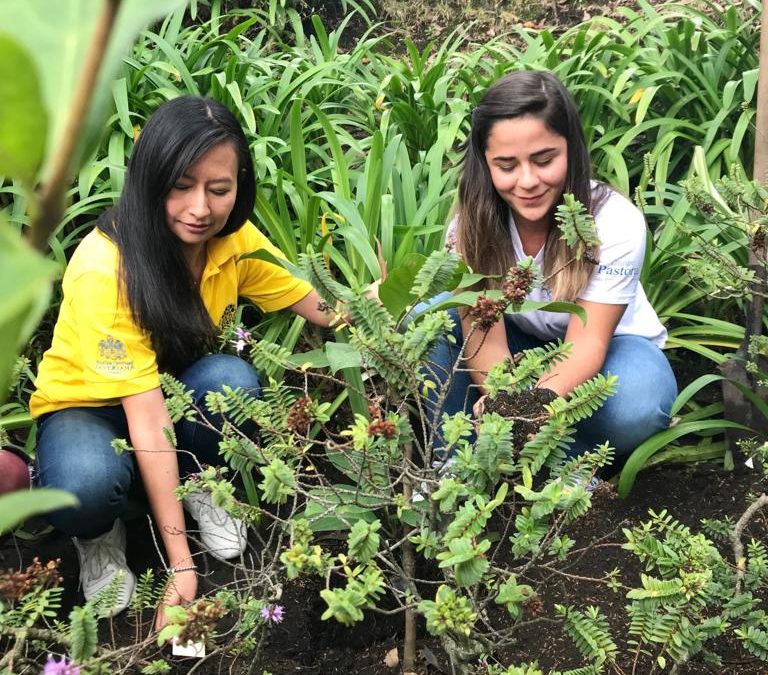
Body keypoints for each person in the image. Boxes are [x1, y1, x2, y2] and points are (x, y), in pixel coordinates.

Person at [30, 96, 335, 628]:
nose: (201, 208)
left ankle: (199, 488)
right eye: (181, 186)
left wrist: (394, 308)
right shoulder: (106, 268)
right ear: (151, 179)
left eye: (219, 189)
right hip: (89, 408)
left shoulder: (231, 239)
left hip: (171, 392)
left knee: (233, 381)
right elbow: (146, 419)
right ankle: (100, 534)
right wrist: (182, 567)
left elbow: (317, 306)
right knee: (83, 484)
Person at [427, 70, 677, 463]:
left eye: (544, 160)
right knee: (430, 317)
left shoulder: (614, 222)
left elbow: (587, 344)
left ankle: (571, 463)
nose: (527, 181)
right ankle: (455, 463)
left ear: (570, 150)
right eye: (506, 165)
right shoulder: (469, 229)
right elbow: (484, 335)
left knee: (638, 402)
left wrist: (529, 407)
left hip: (610, 349)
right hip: (515, 341)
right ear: (485, 163)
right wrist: (503, 401)